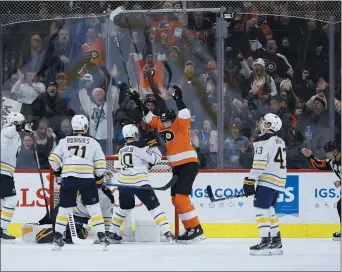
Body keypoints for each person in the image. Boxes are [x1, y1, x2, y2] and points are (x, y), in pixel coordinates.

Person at [129, 85, 205, 243]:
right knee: (175, 199)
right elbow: (149, 117)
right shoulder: (161, 123)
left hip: (189, 164)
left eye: (167, 121)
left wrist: (178, 99)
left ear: (173, 119)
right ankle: (190, 228)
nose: (165, 124)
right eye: (163, 121)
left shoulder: (180, 125)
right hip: (177, 166)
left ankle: (196, 229)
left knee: (181, 198)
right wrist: (138, 101)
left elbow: (184, 113)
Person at [48, 114, 109, 250]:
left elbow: (52, 159)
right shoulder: (93, 142)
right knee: (94, 208)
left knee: (64, 208)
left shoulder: (64, 141)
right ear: (86, 127)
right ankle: (102, 237)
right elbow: (100, 164)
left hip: (69, 178)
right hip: (87, 178)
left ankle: (58, 237)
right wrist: (99, 178)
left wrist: (58, 172)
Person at [107, 124, 174, 243]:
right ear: (135, 134)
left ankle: (112, 233)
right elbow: (155, 159)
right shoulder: (139, 147)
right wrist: (153, 145)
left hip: (124, 185)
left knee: (124, 209)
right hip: (139, 184)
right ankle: (168, 233)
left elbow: (139, 162)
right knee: (155, 208)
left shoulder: (121, 149)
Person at [243, 113, 286, 255]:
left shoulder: (263, 139)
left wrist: (250, 180)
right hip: (278, 180)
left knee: (260, 209)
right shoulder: (280, 140)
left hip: (267, 179)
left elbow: (259, 163)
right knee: (270, 210)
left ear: (269, 125)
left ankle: (265, 241)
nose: (262, 124)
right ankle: (276, 241)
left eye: (264, 122)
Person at [1, 112, 34, 242]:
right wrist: (19, 127)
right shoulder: (6, 132)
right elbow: (10, 130)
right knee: (12, 201)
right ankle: (2, 229)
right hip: (2, 172)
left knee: (4, 202)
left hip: (6, 172)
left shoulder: (14, 136)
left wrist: (22, 129)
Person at [301, 141, 341, 241]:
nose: (327, 155)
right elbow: (319, 165)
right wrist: (310, 156)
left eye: (329, 153)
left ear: (336, 152)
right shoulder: (332, 162)